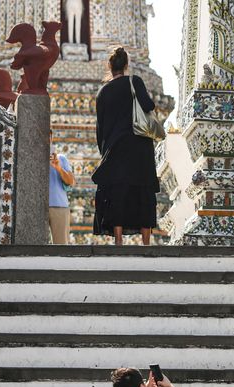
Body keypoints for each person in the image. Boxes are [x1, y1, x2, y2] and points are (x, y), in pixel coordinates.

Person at [92, 47, 159, 246]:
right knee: (143, 189)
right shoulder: (134, 81)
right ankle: (146, 241)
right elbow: (148, 106)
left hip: (115, 148)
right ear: (126, 65)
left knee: (118, 191)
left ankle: (119, 239)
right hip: (139, 145)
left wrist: (104, 151)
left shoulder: (102, 91)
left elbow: (100, 127)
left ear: (110, 66)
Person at [49, 130, 75, 244]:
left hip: (59, 206)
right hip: (36, 207)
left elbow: (71, 182)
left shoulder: (61, 159)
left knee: (61, 246)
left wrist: (58, 167)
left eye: (48, 137)